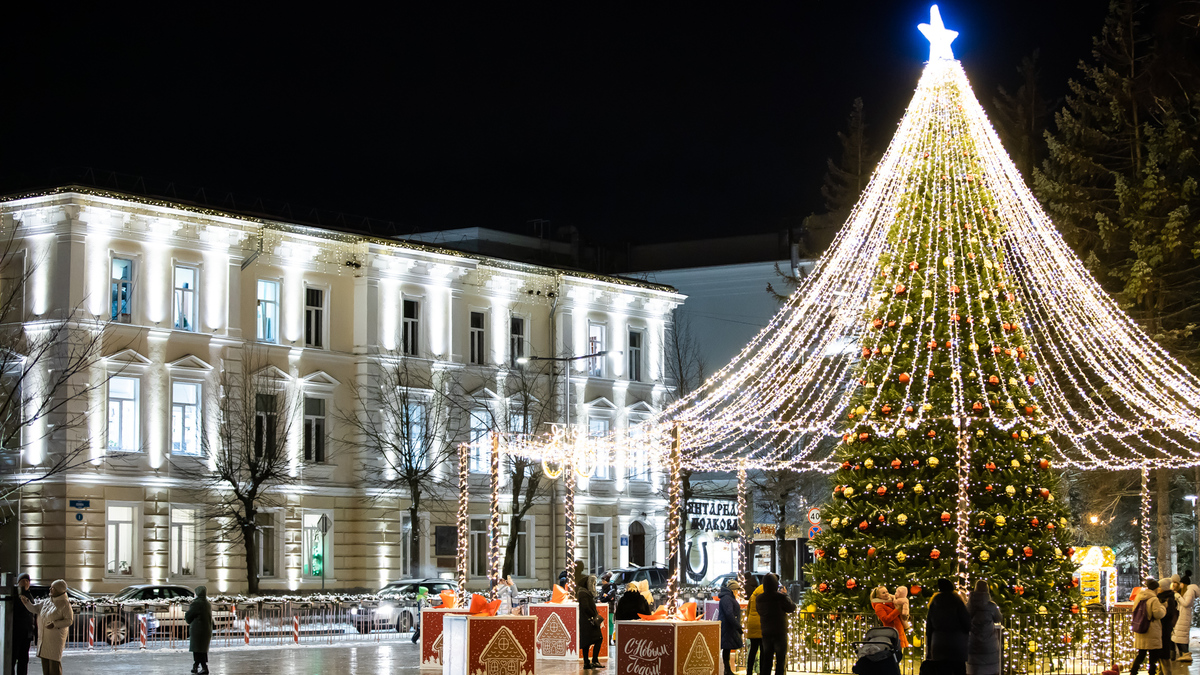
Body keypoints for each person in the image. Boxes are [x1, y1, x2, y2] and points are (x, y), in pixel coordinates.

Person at [17, 579, 73, 675]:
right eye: (51, 587)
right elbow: (35, 608)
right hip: (44, 639)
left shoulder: (64, 604)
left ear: (59, 590)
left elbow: (69, 620)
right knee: (46, 665)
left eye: (53, 588)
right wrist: (27, 603)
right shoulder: (47, 601)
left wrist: (55, 624)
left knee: (54, 666)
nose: (50, 589)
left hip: (55, 640)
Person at [923, 578, 971, 675]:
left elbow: (929, 627)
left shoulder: (935, 602)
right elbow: (966, 622)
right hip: (957, 643)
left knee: (942, 670)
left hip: (939, 644)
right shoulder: (957, 601)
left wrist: (929, 648)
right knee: (959, 670)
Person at [755, 573, 796, 675]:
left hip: (766, 632)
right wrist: (785, 595)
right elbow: (791, 608)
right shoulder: (780, 597)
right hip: (779, 632)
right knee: (780, 661)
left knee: (767, 660)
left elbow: (759, 611)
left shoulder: (759, 599)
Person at [1131, 578, 1167, 675]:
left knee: (1141, 654)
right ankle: (1152, 672)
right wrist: (1163, 607)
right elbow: (1158, 614)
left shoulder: (1139, 596)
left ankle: (1133, 671)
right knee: (1153, 655)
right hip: (1151, 630)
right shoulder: (1153, 599)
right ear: (1155, 588)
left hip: (1141, 628)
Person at [966, 580, 1002, 675]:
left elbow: (965, 619)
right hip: (989, 642)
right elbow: (998, 618)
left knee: (975, 669)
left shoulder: (970, 606)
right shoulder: (991, 606)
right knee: (989, 668)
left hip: (974, 642)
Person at [184, 585, 214, 674]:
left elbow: (189, 617)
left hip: (198, 630)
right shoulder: (207, 603)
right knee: (201, 649)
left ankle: (204, 668)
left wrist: (187, 613)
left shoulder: (197, 603)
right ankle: (195, 666)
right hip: (206, 629)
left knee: (198, 650)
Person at [578, 575, 605, 671]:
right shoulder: (584, 594)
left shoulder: (583, 593)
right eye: (593, 584)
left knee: (587, 642)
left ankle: (587, 662)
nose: (594, 586)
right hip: (589, 621)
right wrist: (594, 615)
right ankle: (594, 660)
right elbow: (586, 607)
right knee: (598, 639)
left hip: (586, 621)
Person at [718, 581, 744, 675]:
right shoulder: (727, 599)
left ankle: (727, 669)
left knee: (727, 648)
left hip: (728, 627)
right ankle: (727, 670)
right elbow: (729, 614)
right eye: (737, 590)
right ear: (733, 590)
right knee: (726, 647)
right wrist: (737, 626)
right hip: (727, 627)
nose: (738, 592)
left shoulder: (727, 598)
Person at [1171, 572, 1198, 663]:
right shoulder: (1187, 591)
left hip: (1184, 616)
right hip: (1183, 615)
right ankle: (1185, 654)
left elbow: (1186, 604)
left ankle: (1186, 654)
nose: (1180, 585)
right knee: (1178, 636)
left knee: (1179, 636)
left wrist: (1177, 596)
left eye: (1181, 583)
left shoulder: (1189, 591)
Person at [1155, 577, 1180, 675]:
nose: (1158, 588)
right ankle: (1162, 671)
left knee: (1164, 650)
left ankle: (1166, 672)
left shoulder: (1167, 598)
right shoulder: (1165, 597)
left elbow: (1168, 614)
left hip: (1164, 627)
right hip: (1164, 627)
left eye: (1160, 586)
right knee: (1162, 650)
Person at [12, 573, 35, 675]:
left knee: (23, 658)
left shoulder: (29, 595)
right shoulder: (16, 595)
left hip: (26, 633)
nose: (26, 583)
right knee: (12, 658)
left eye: (27, 581)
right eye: (23, 580)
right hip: (16, 632)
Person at [745, 578, 765, 675]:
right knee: (763, 650)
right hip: (761, 625)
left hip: (752, 624)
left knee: (753, 650)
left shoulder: (753, 596)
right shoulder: (765, 596)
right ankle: (761, 671)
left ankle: (749, 671)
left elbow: (748, 611)